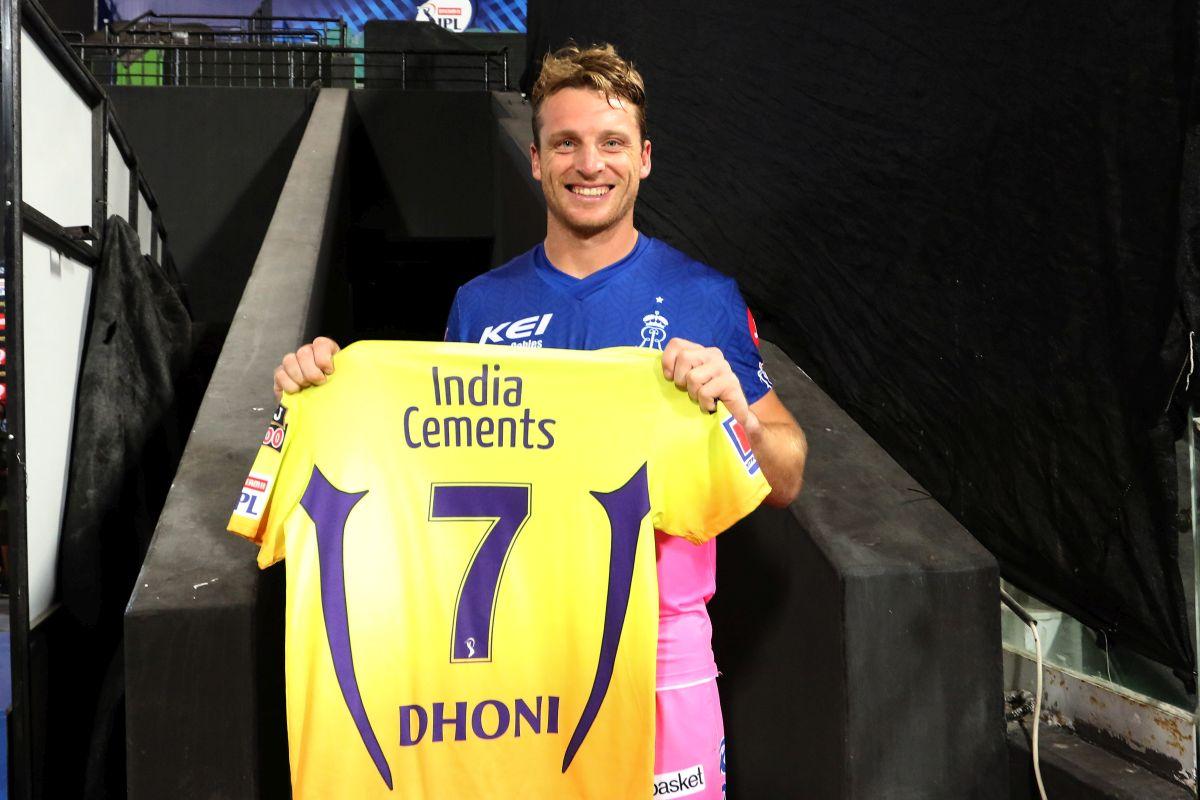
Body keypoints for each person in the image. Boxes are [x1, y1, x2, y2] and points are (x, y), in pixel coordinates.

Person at [274, 42, 807, 799]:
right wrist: (329, 393)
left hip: (661, 661)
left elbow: (786, 476)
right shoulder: (480, 306)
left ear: (645, 158)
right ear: (535, 160)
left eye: (612, 142)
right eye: (567, 142)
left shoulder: (704, 297)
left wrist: (738, 418)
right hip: (514, 670)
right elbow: (428, 483)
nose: (590, 163)